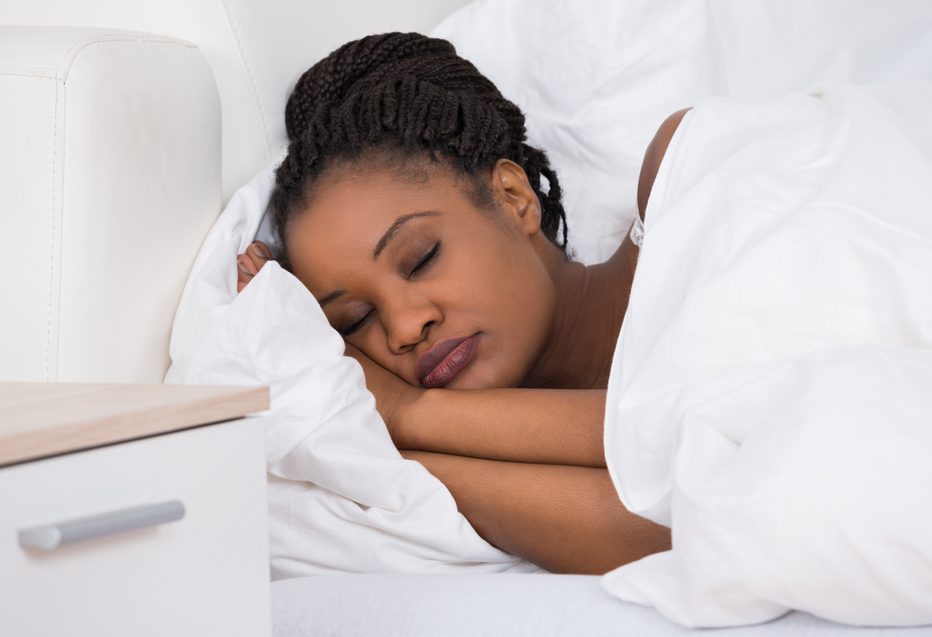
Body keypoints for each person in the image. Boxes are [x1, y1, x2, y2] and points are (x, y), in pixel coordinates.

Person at [236, 32, 685, 574]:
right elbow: (683, 533)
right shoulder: (446, 448)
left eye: (421, 257)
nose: (404, 328)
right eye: (356, 320)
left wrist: (405, 414)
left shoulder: (680, 175)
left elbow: (674, 433)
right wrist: (387, 438)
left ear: (513, 198)